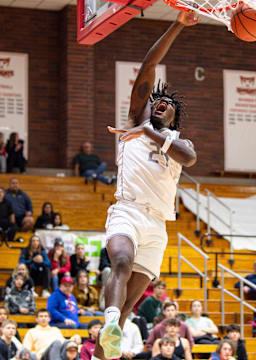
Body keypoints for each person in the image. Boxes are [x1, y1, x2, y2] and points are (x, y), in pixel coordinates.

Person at [92, 11, 198, 360]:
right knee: (120, 260)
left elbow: (189, 159)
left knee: (127, 311)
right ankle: (107, 322)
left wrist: (150, 133)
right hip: (128, 211)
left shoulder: (177, 141)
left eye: (166, 105)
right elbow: (148, 67)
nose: (159, 103)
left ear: (173, 117)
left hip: (158, 225)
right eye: (156, 100)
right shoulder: (133, 122)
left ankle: (101, 348)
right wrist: (179, 24)